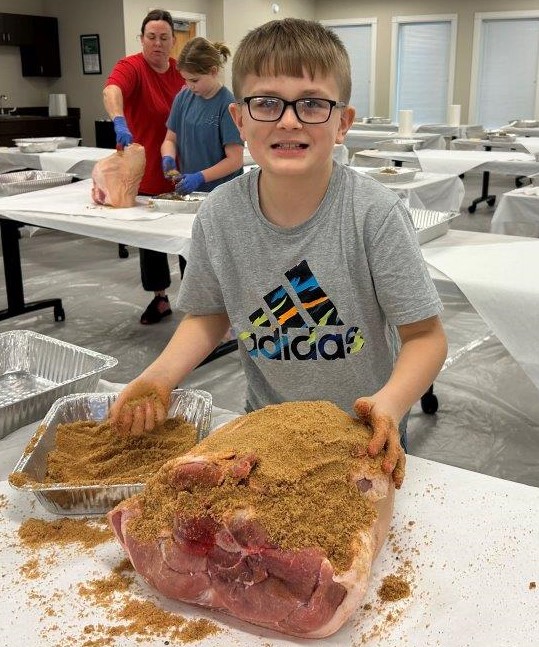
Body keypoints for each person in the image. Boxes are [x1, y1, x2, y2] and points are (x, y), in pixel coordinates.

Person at [110, 18, 448, 488]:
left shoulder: (375, 214)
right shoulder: (220, 215)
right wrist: (160, 377)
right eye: (267, 103)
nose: (289, 119)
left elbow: (426, 337)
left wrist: (390, 403)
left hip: (363, 434)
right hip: (267, 430)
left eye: (312, 103)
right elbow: (208, 315)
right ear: (240, 119)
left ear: (343, 123)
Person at [103, 9, 186, 325]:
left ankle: (197, 304)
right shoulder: (132, 67)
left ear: (173, 41)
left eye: (164, 38)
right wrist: (118, 118)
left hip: (181, 173)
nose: (157, 43)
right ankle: (160, 299)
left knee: (188, 241)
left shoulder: (181, 73)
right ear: (142, 39)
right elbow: (112, 90)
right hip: (145, 173)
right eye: (151, 37)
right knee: (151, 242)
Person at [160, 37, 244, 197]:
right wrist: (168, 157)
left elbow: (235, 160)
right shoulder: (183, 98)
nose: (189, 85)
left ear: (213, 71)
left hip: (223, 195)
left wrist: (200, 177)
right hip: (192, 193)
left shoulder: (227, 105)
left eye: (194, 80)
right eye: (185, 79)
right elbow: (170, 140)